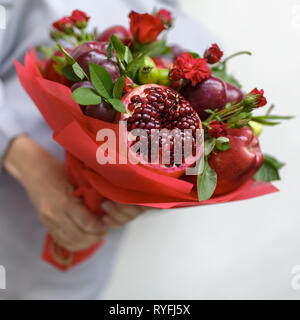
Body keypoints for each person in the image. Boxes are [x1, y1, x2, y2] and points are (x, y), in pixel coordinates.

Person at [0, 0, 215, 299]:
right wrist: (26, 160)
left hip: (76, 275)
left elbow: (184, 171)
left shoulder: (198, 41)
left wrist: (140, 202)